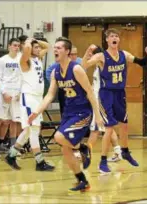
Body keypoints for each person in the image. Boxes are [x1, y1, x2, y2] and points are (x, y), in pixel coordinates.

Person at [28, 37, 104, 192]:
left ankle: (83, 148)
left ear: (67, 51)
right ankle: (82, 180)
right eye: (54, 47)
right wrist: (36, 112)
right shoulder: (56, 71)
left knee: (58, 137)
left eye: (59, 48)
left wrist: (98, 115)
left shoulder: (76, 69)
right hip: (69, 113)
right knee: (65, 149)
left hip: (82, 112)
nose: (55, 50)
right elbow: (49, 95)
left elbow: (90, 92)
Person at [82, 28, 147, 173]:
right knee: (109, 128)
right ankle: (102, 161)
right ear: (107, 40)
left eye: (116, 36)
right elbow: (84, 66)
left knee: (125, 123)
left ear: (118, 40)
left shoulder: (124, 54)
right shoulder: (101, 57)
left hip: (120, 93)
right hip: (106, 94)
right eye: (111, 36)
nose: (114, 38)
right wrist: (86, 54)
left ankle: (125, 151)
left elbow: (142, 62)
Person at [5, 38, 54, 171]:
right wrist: (27, 42)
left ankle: (11, 155)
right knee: (34, 130)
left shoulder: (37, 59)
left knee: (27, 132)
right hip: (29, 98)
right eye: (36, 47)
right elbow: (26, 49)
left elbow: (48, 46)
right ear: (29, 49)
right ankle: (39, 162)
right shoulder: (24, 61)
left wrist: (35, 40)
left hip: (37, 99)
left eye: (38, 47)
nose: (38, 49)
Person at [0, 38, 22, 155]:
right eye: (14, 45)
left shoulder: (22, 59)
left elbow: (23, 77)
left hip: (16, 93)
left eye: (18, 46)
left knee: (14, 121)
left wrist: (19, 92)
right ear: (9, 46)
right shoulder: (2, 60)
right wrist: (3, 92)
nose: (16, 48)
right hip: (4, 92)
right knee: (0, 120)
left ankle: (13, 148)